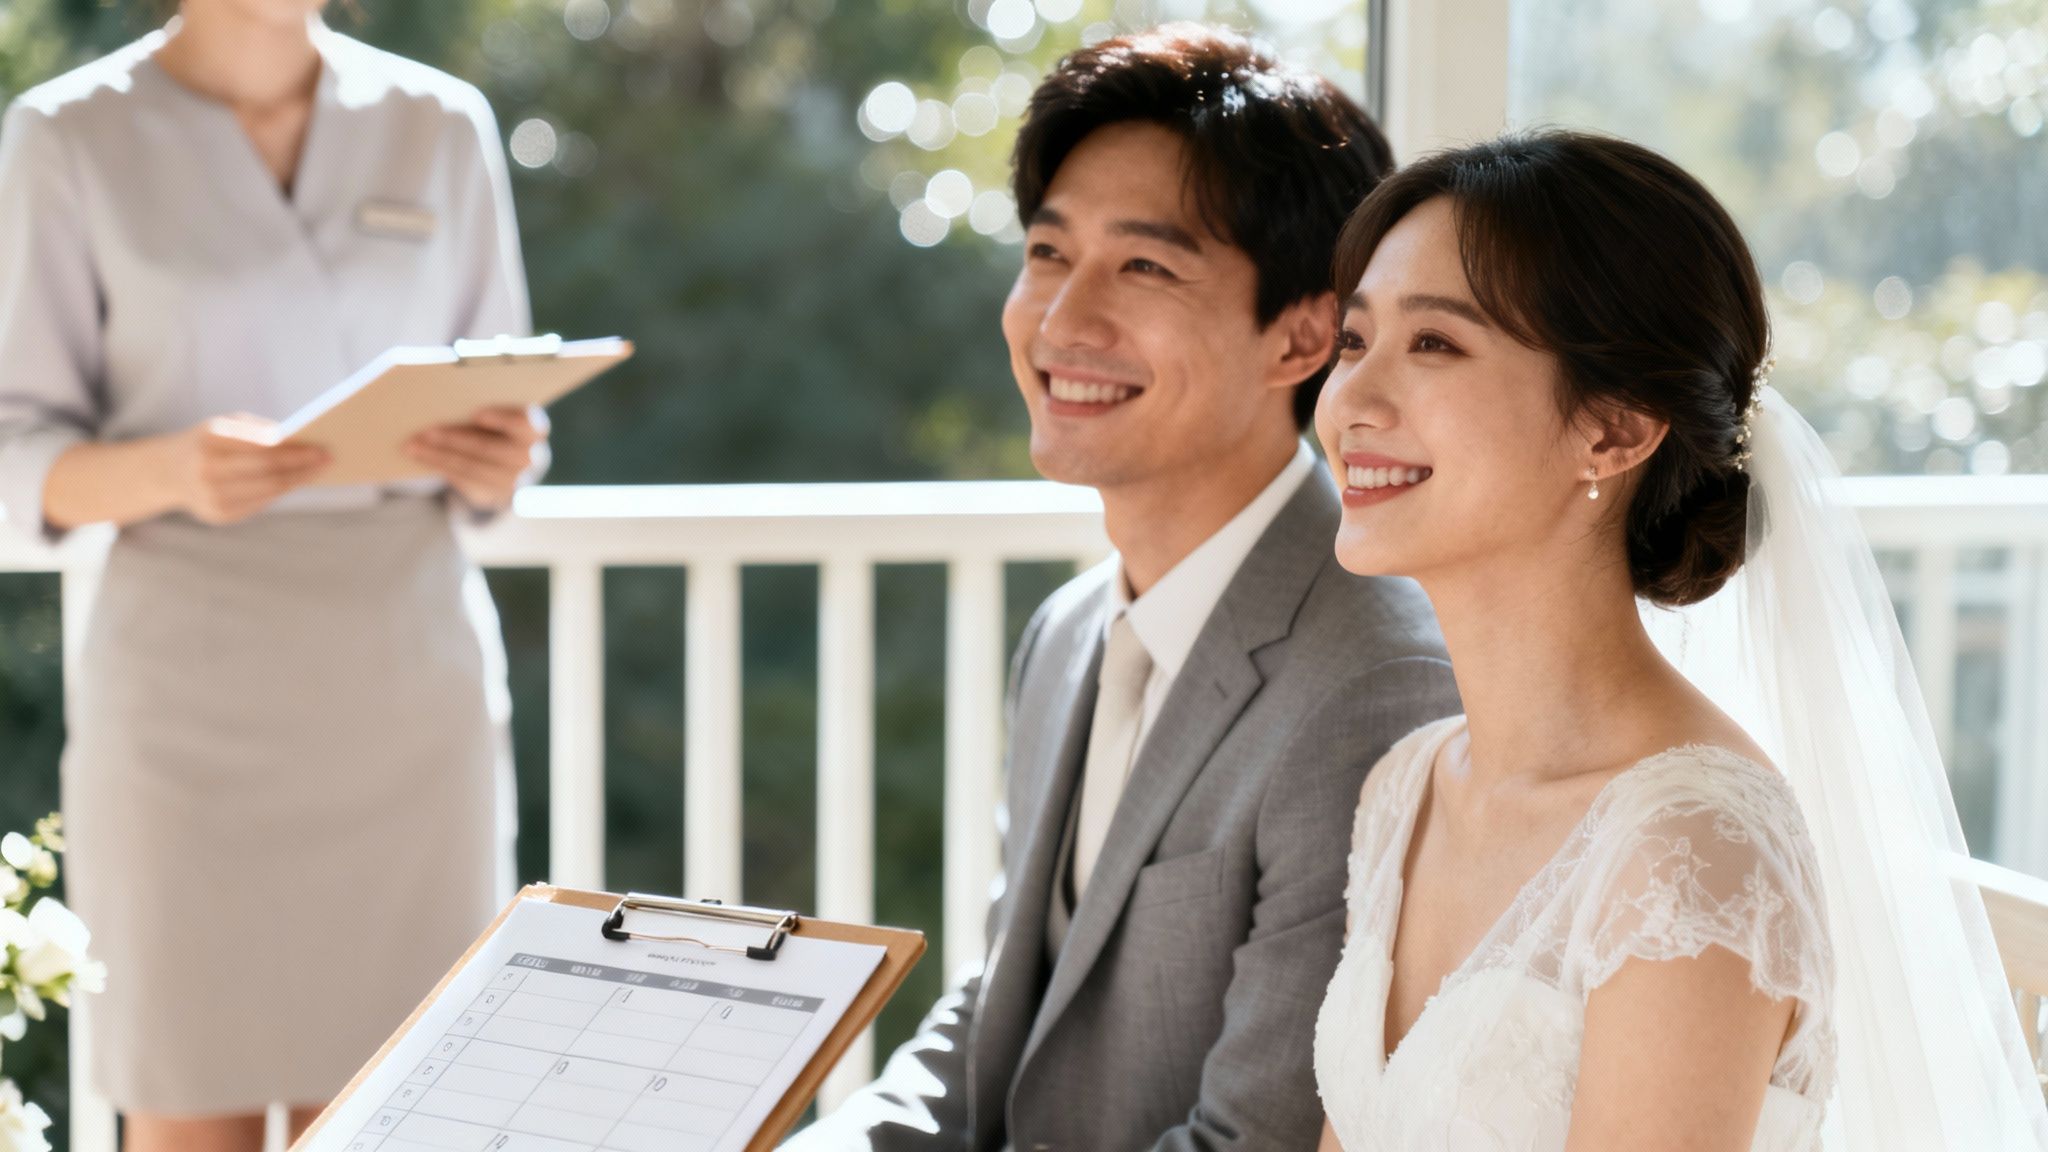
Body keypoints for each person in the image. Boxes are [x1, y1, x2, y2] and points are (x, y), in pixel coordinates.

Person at [1310, 130, 2048, 1151]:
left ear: (1613, 429)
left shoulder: (1690, 851)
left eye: (1431, 343)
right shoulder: (1405, 786)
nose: (1350, 399)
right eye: (1352, 342)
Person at [791, 24, 1458, 1152]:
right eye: (1049, 254)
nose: (1060, 322)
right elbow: (1003, 1012)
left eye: (1142, 266)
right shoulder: (1065, 633)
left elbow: (1258, 1140)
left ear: (1302, 335)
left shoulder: (1371, 679)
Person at [0, 2, 547, 1149]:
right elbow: (15, 462)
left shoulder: (441, 124)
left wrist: (502, 455)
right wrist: (171, 469)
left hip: (406, 684)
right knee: (188, 1096)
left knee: (411, 1112)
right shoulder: (67, 133)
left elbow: (508, 420)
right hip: (187, 699)